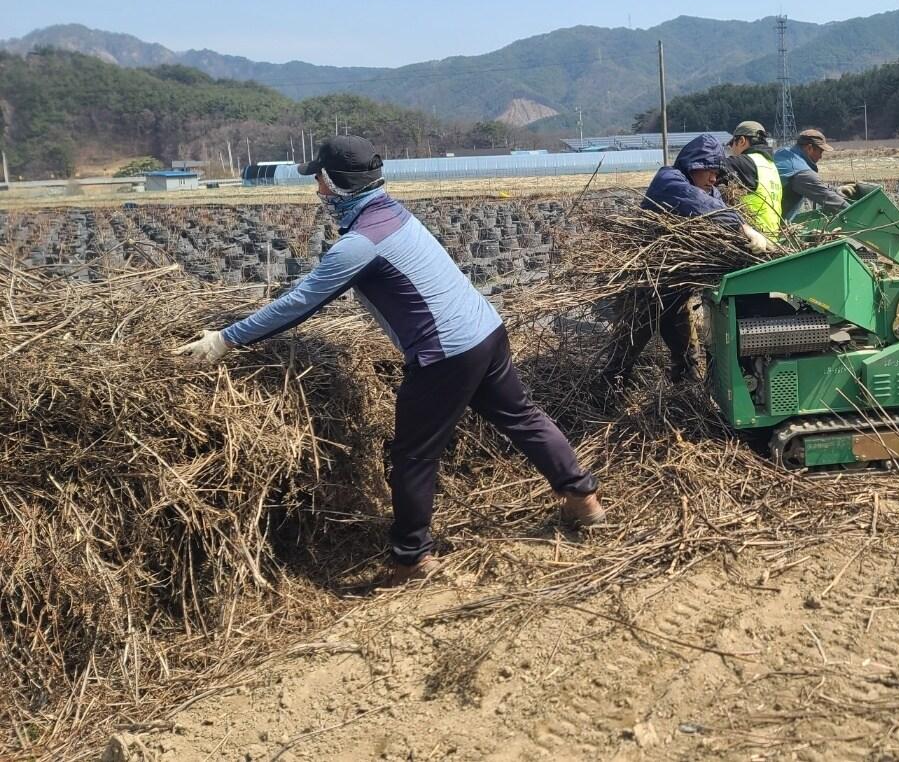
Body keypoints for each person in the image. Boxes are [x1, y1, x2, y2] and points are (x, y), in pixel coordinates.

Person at [174, 135, 602, 587]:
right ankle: (583, 499)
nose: (316, 189)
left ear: (337, 184)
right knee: (521, 416)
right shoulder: (392, 212)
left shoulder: (360, 244)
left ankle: (411, 557)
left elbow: (300, 303)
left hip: (447, 353)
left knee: (414, 456)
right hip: (486, 331)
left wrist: (226, 338)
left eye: (319, 179)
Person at [602, 133, 771, 388]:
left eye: (717, 172)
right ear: (694, 165)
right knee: (626, 352)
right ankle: (606, 396)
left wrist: (747, 233)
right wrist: (741, 226)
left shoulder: (710, 188)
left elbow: (720, 209)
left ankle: (686, 397)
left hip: (675, 288)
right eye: (709, 170)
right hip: (647, 286)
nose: (715, 178)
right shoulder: (669, 180)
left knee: (687, 356)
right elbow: (701, 205)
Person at [773, 128, 850, 220]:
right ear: (809, 148)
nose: (821, 156)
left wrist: (835, 190)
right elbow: (828, 198)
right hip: (772, 223)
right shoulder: (801, 172)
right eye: (820, 152)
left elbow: (813, 185)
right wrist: (856, 211)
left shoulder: (783, 153)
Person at [724, 120, 783, 239]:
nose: (731, 150)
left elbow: (709, 168)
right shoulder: (770, 166)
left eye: (732, 145)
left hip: (752, 241)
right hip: (771, 240)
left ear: (741, 141)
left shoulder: (745, 163)